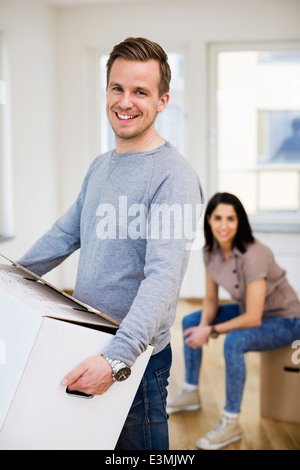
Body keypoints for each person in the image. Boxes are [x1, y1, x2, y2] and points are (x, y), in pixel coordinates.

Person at [17, 37, 204, 450]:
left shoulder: (174, 176)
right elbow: (65, 234)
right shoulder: (102, 165)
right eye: (118, 88)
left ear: (162, 101)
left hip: (136, 363)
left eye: (141, 91)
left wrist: (117, 360)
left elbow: (163, 278)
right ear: (106, 92)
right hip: (87, 343)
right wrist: (9, 278)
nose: (126, 101)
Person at [167, 192, 300, 450]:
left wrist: (212, 330)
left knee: (234, 341)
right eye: (218, 218)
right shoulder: (210, 252)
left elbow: (252, 317)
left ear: (240, 221)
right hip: (251, 310)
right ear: (208, 220)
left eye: (231, 218)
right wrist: (204, 326)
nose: (224, 225)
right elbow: (210, 300)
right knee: (191, 321)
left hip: (287, 319)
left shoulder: (254, 254)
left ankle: (231, 422)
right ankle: (191, 390)